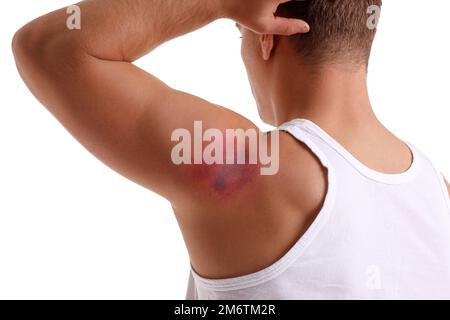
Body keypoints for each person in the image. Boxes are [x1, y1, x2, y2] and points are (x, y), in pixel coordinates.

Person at [12, 0, 450, 299]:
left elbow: (47, 47)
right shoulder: (436, 191)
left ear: (265, 35)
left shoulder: (254, 169)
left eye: (240, 31)